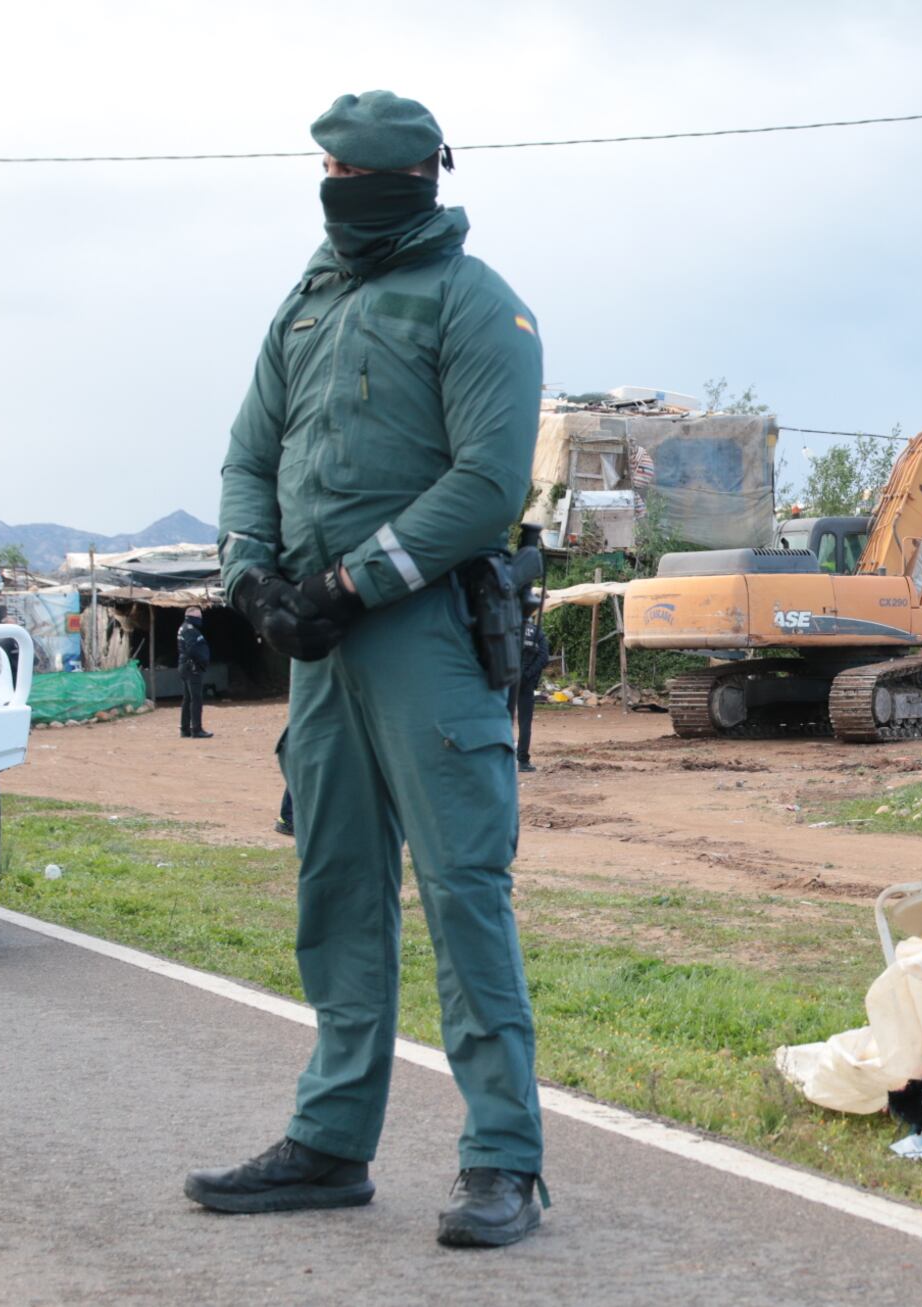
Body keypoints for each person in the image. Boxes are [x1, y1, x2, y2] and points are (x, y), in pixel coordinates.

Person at [191, 90, 547, 1248]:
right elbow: (248, 457)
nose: (337, 189)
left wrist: (353, 585)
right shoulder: (306, 302)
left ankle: (503, 1158)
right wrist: (253, 579)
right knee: (336, 887)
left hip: (424, 636)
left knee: (462, 889)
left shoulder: (474, 302)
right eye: (328, 172)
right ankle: (330, 1140)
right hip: (317, 649)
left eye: (355, 175)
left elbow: (486, 485)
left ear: (417, 178)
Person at [514, 617, 550, 773]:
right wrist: (528, 675)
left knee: (502, 720)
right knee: (525, 723)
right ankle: (523, 761)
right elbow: (543, 658)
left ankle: (498, 759)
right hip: (527, 684)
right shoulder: (537, 633)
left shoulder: (507, 627)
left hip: (506, 681)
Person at [177, 607, 213, 739]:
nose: (200, 619)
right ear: (191, 617)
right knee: (196, 699)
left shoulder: (184, 627)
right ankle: (196, 730)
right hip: (192, 667)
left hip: (186, 666)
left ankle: (185, 729)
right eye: (198, 617)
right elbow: (192, 649)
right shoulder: (190, 630)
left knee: (187, 699)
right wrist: (201, 662)